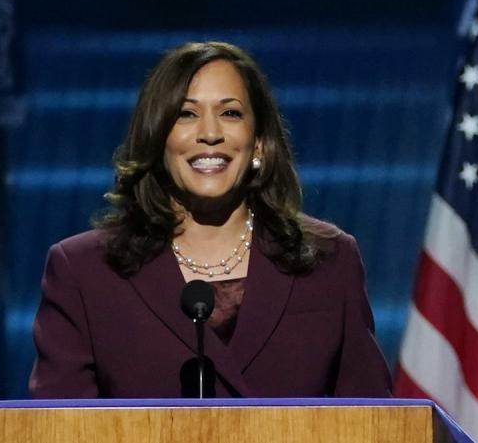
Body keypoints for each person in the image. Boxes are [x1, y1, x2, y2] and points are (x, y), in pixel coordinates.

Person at [29, 41, 391, 398]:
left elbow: (376, 423)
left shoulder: (328, 260)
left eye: (230, 113)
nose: (210, 133)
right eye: (186, 114)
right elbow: (57, 429)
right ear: (157, 139)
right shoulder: (84, 271)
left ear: (260, 143)